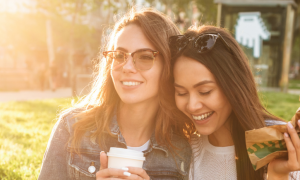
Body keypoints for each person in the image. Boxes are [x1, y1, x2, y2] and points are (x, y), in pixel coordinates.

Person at [38, 8, 193, 180]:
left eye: (145, 57)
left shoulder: (185, 148)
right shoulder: (72, 128)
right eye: (119, 55)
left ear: (169, 66)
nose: (127, 67)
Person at [170, 25, 300, 180]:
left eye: (205, 91)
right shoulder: (185, 152)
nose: (192, 105)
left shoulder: (284, 145)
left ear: (233, 85)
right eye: (181, 93)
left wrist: (278, 175)